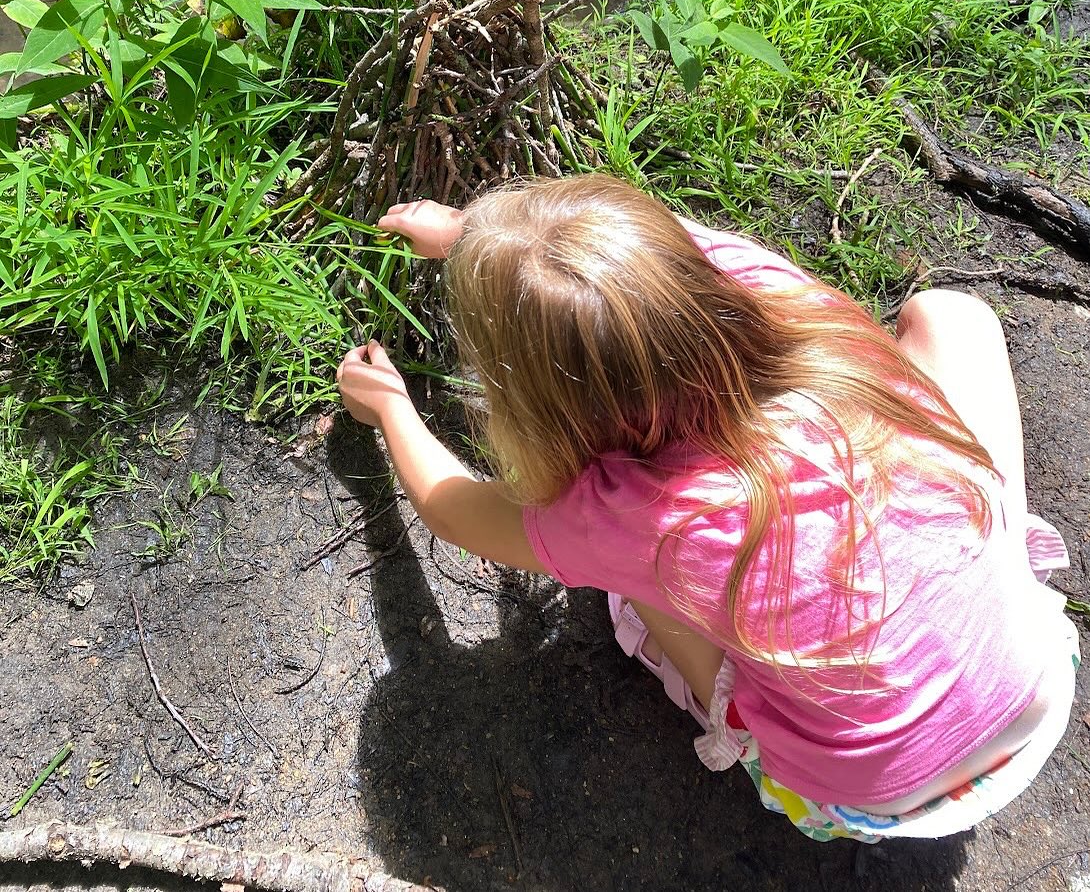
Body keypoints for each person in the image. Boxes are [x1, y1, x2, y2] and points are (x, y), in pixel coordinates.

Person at [336, 174, 1080, 842]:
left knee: (635, 586)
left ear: (542, 406)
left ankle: (732, 720)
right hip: (1038, 689)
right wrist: (479, 234)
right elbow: (660, 252)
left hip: (876, 800)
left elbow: (455, 510)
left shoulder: (633, 517)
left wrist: (394, 410)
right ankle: (993, 554)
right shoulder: (792, 307)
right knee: (949, 320)